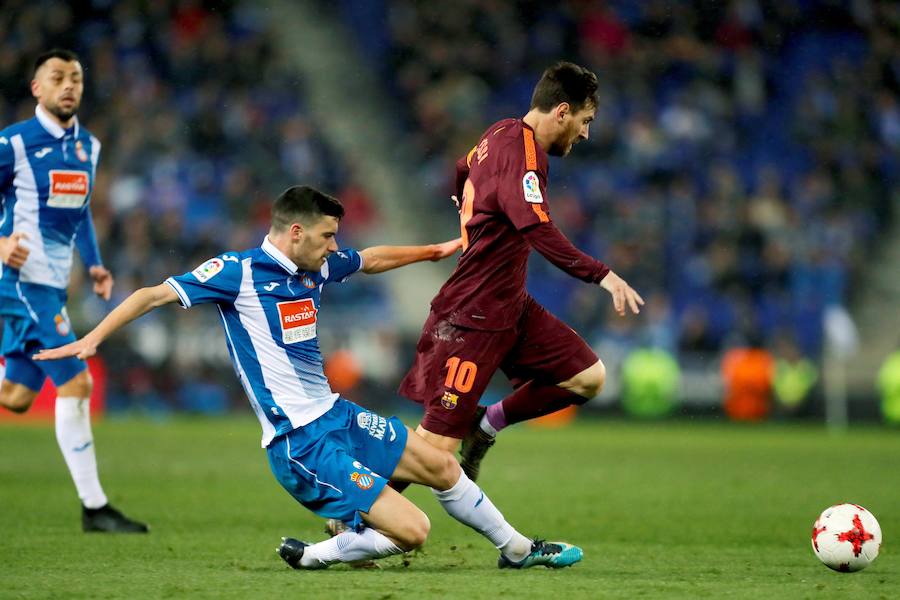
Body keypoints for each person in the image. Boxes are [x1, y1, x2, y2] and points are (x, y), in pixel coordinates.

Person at [35, 186, 583, 570]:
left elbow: (367, 259)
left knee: (439, 463)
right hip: (298, 443)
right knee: (414, 532)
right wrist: (92, 339)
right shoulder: (238, 272)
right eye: (325, 237)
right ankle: (321, 553)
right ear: (295, 232)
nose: (332, 248)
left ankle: (516, 549)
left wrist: (437, 250)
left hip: (337, 415)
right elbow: (151, 294)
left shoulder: (315, 265)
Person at [398, 61, 644, 481]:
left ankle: (485, 425)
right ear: (562, 112)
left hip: (508, 302)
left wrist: (470, 222)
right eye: (585, 121)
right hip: (473, 314)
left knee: (587, 377)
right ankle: (355, 516)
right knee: (435, 448)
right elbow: (537, 228)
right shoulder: (524, 153)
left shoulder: (498, 133)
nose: (586, 133)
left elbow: (462, 169)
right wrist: (603, 275)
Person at [0, 48, 147, 533]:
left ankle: (94, 508)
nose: (69, 86)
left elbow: (79, 210)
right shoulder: (14, 144)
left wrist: (97, 264)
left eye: (76, 78)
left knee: (18, 396)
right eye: (58, 77)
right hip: (20, 283)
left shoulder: (90, 147)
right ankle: (95, 507)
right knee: (78, 382)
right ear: (37, 88)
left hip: (52, 284)